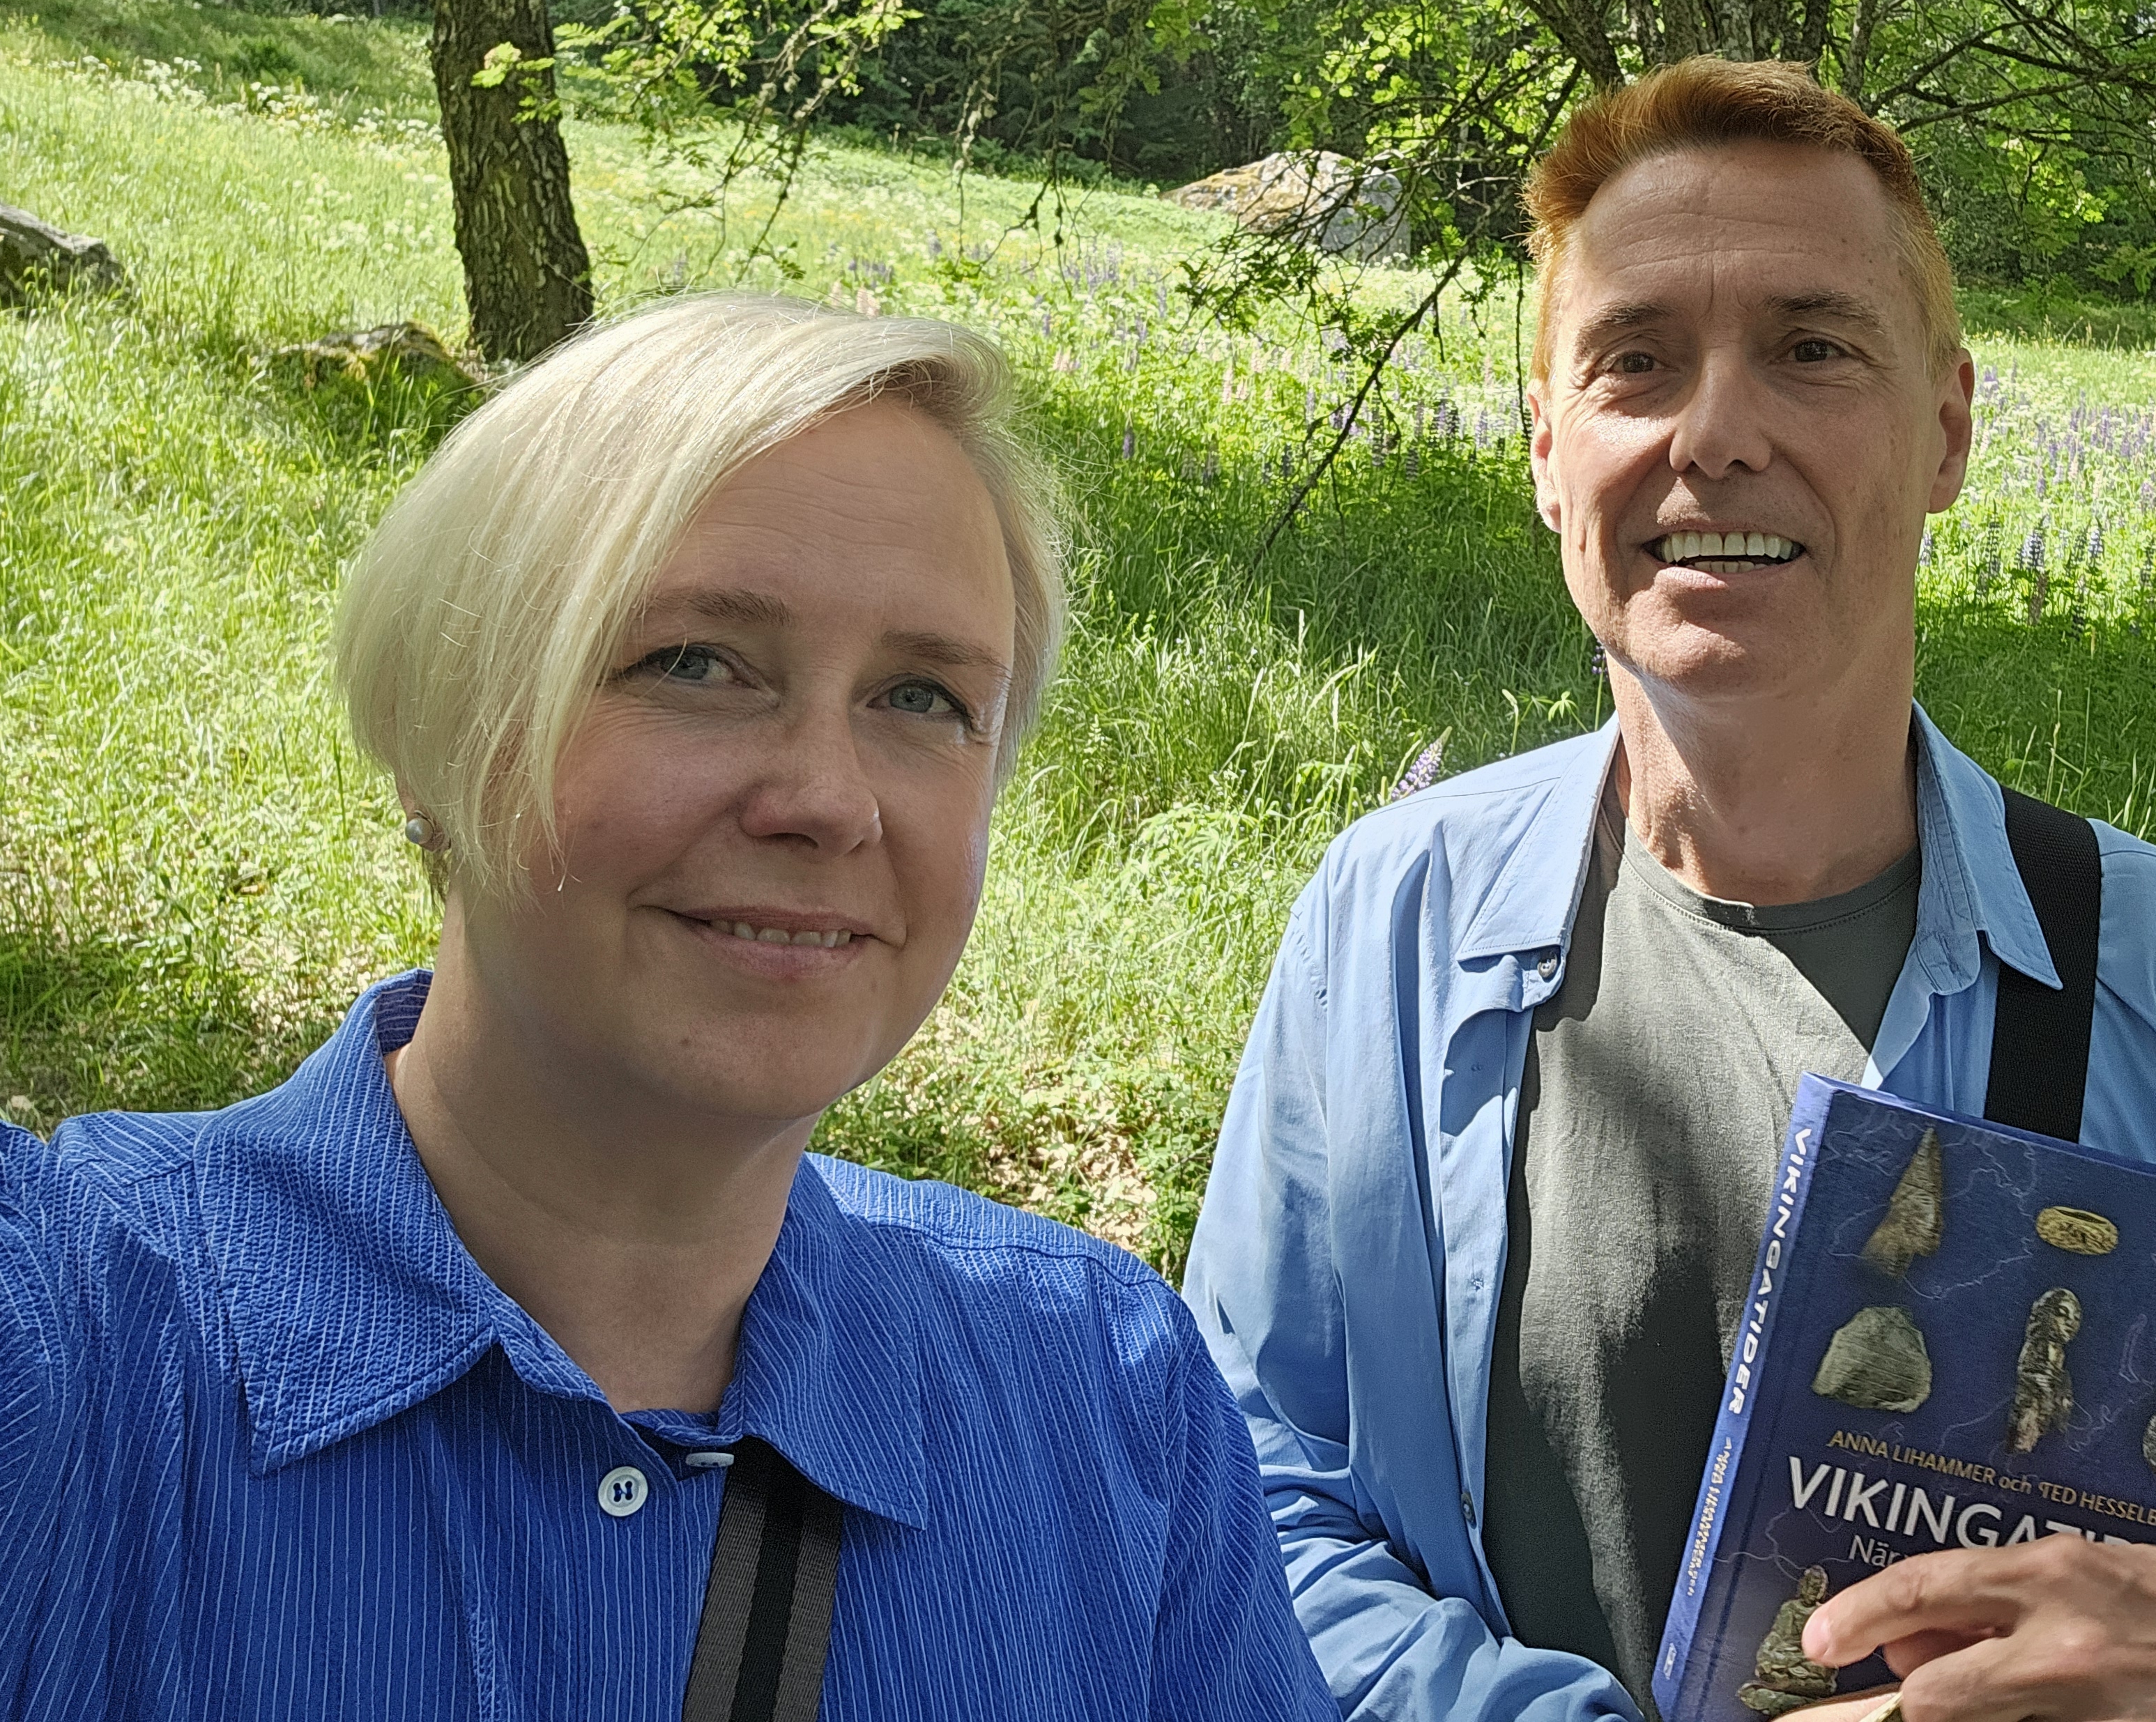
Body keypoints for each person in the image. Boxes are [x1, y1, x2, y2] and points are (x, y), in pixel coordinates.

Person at [1180, 58, 2156, 1721]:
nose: (1716, 432)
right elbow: (1244, 1496)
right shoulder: (1390, 918)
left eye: (1811, 349)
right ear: (1550, 455)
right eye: (1636, 362)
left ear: (1943, 432)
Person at [0, 295, 1337, 1720]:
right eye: (694, 663)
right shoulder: (70, 1347)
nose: (825, 799)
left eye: (922, 698)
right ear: (443, 733)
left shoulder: (1102, 1399)